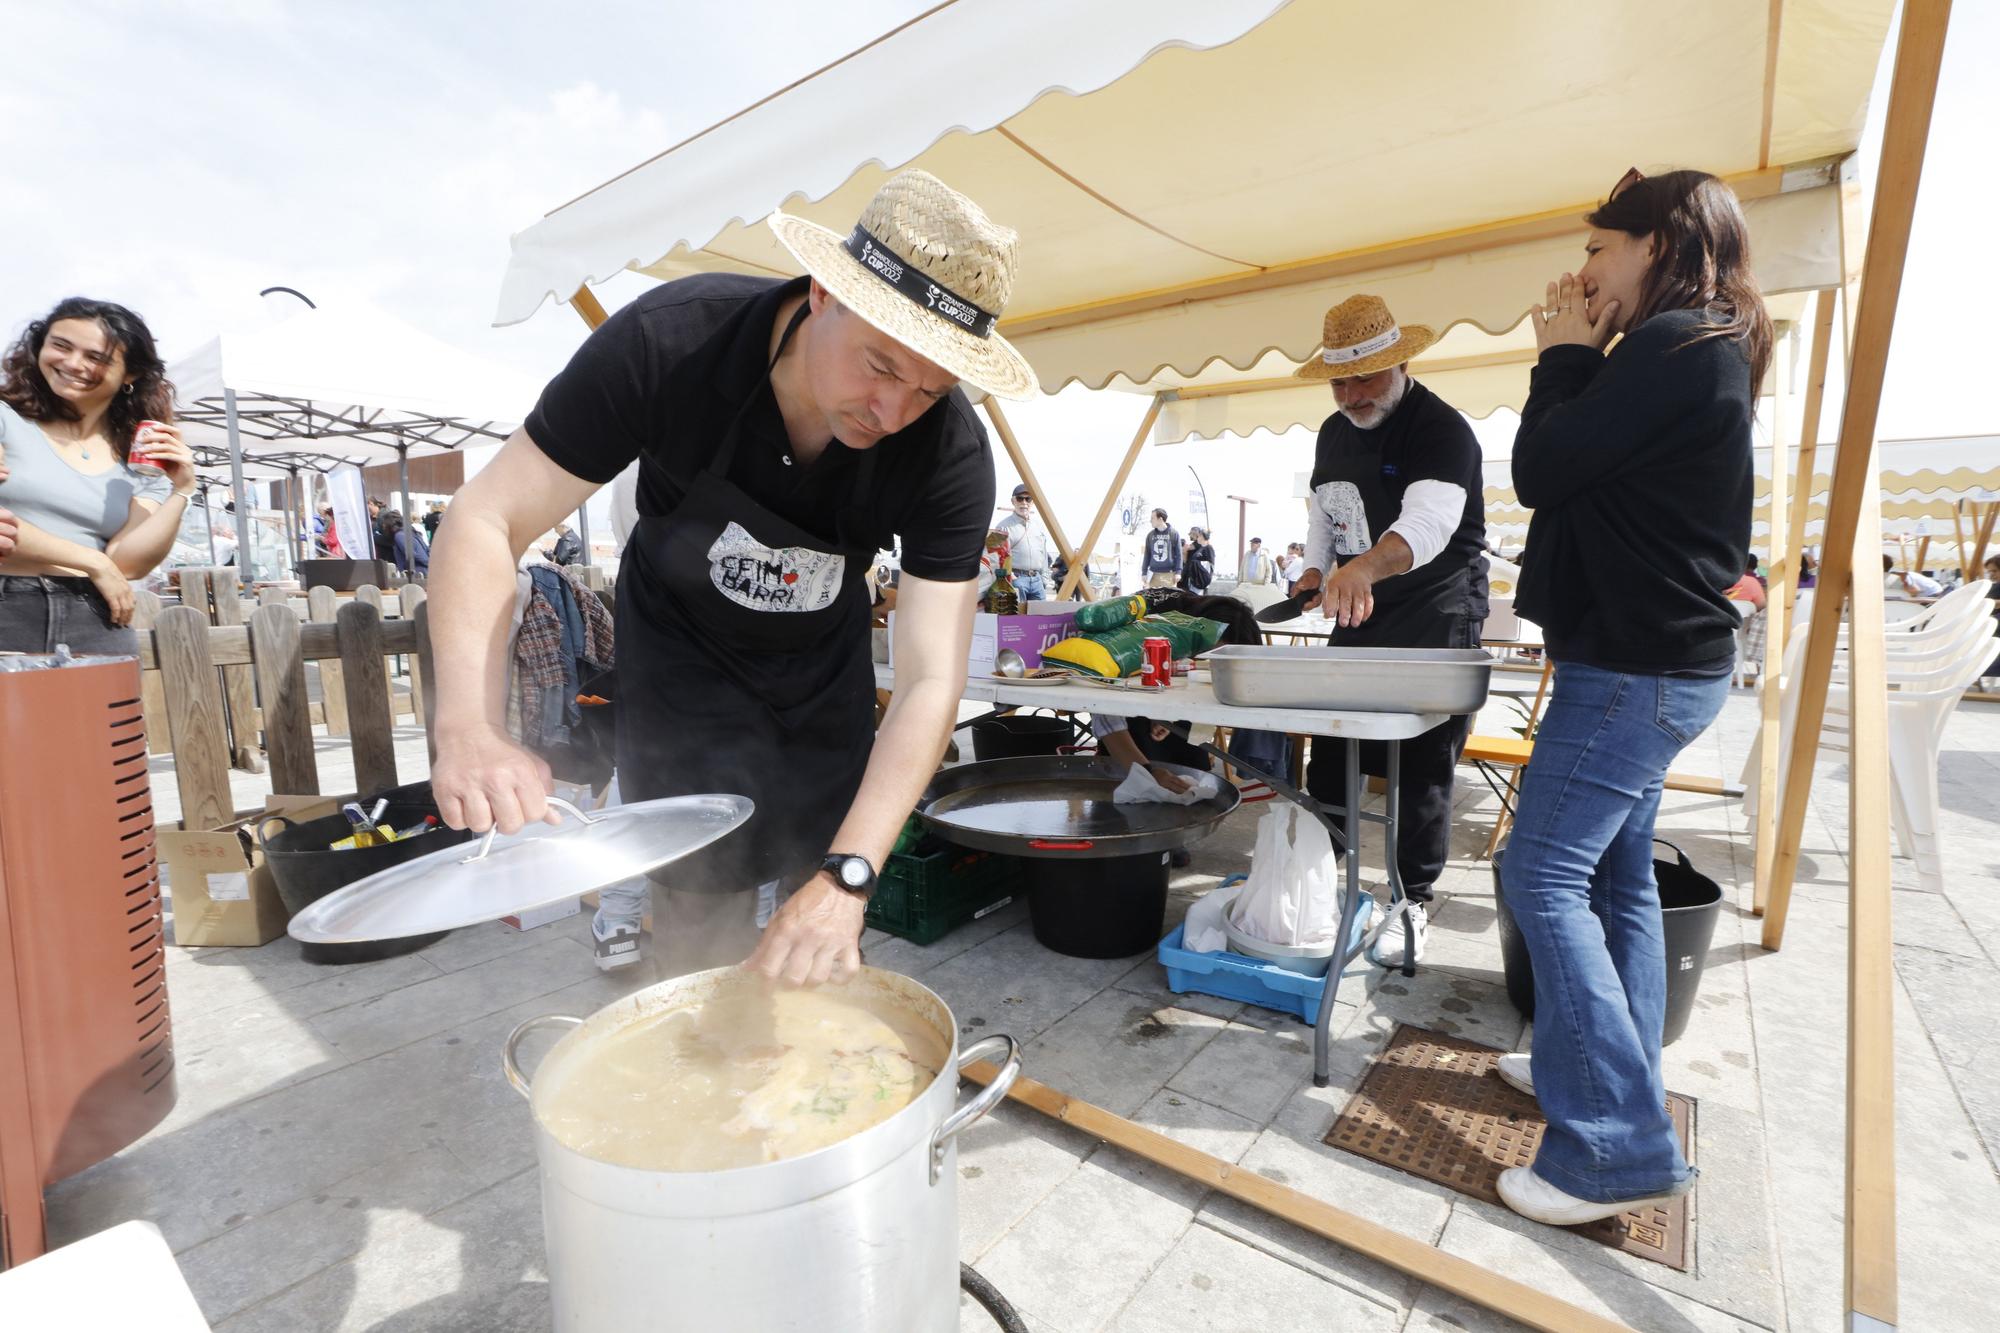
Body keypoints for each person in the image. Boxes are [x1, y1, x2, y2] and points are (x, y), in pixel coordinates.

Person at [425, 169, 1025, 985]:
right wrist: (469, 727)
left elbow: (928, 678)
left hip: (820, 702)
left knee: (812, 942)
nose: (891, 414)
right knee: (698, 944)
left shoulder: (948, 451)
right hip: (681, 690)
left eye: (928, 389)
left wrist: (850, 876)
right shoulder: (672, 344)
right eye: (880, 366)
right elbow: (487, 520)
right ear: (823, 294)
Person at [1496, 168, 1771, 1228]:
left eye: (1597, 250)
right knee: (1613, 877)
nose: (1581, 274)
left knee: (1540, 876)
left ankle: (1610, 1143)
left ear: (1656, 242)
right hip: (1657, 668)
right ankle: (1600, 1075)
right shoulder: (1697, 345)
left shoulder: (1670, 347)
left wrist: (1560, 355)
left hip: (1632, 672)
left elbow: (1542, 463)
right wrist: (1583, 348)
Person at [1290, 293, 1489, 968]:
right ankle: (1321, 876)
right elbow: (1326, 512)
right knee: (1333, 749)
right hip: (1360, 607)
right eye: (1339, 379)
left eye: (1365, 376)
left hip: (1438, 609)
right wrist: (1315, 570)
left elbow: (1427, 528)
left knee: (1423, 767)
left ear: (1400, 362)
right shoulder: (1332, 431)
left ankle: (1413, 901)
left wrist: (1362, 570)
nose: (1351, 393)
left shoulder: (1443, 430)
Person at [0, 298, 198, 654]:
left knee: (108, 712)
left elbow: (129, 563)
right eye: (60, 346)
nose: (73, 363)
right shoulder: (5, 418)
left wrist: (182, 490)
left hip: (98, 615)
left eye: (96, 357)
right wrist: (94, 561)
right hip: (8, 606)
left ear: (130, 374)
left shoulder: (139, 458)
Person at [997, 483, 1053, 600]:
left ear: (1032, 502)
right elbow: (995, 556)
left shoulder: (1038, 526)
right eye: (1020, 498)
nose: (1024, 503)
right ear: (1013, 501)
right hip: (1016, 579)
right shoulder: (1003, 527)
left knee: (1041, 616)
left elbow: (1043, 553)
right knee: (1018, 617)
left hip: (1037, 580)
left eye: (1028, 499)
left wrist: (1044, 579)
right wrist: (1010, 576)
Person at [1139, 508, 1181, 588]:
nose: (1150, 520)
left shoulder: (1173, 533)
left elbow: (1179, 555)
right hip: (1152, 575)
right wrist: (1144, 572)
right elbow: (1147, 554)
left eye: (1152, 518)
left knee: (1168, 600)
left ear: (1160, 519)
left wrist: (1178, 572)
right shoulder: (1150, 535)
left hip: (1169, 575)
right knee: (1152, 599)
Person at [382, 508, 430, 578]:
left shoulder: (399, 536)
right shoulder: (411, 532)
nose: (383, 526)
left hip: (415, 573)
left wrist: (426, 562)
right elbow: (426, 549)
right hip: (424, 571)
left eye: (384, 523)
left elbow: (411, 554)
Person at [1178, 527, 1215, 593]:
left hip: (1200, 582)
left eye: (1199, 536)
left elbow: (1210, 565)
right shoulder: (1200, 549)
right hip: (1192, 581)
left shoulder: (1208, 548)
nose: (1197, 537)